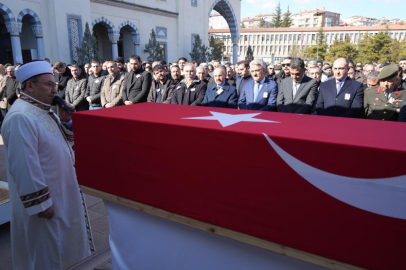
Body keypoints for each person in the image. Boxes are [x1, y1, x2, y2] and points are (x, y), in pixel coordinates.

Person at [2, 61, 93, 269]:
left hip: (59, 192)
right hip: (45, 201)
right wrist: (40, 203)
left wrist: (67, 122)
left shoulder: (43, 109)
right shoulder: (20, 117)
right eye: (49, 85)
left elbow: (62, 142)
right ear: (30, 86)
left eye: (55, 85)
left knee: (57, 248)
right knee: (44, 251)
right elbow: (24, 165)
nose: (54, 89)